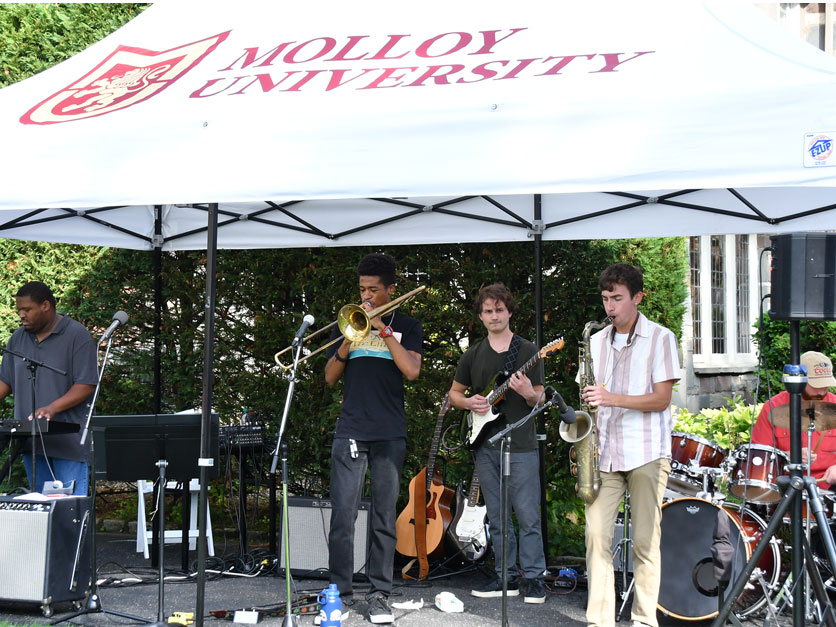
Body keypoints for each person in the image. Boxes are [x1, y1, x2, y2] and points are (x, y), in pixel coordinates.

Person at [581, 263, 681, 627]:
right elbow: (589, 398)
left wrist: (611, 397)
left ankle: (643, 620)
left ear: (638, 297)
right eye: (606, 299)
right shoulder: (594, 341)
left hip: (646, 452)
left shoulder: (661, 338)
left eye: (618, 299)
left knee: (643, 541)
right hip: (604, 453)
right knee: (595, 535)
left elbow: (660, 400)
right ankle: (600, 620)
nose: (610, 307)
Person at [324, 253, 422, 625]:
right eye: (362, 289)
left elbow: (412, 370)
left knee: (384, 516)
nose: (366, 296)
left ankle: (379, 593)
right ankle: (340, 594)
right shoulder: (347, 322)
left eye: (373, 290)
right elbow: (330, 376)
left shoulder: (408, 325)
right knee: (343, 516)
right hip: (351, 429)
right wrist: (349, 338)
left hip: (389, 432)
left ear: (390, 290)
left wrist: (382, 330)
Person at [448, 283, 548, 604]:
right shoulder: (472, 355)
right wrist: (470, 403)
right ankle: (506, 576)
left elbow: (539, 398)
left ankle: (534, 578)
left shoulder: (529, 351)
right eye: (488, 311)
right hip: (486, 444)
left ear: (509, 312)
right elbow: (454, 395)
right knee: (499, 516)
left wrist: (526, 392)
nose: (494, 316)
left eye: (499, 310)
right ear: (480, 316)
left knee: (528, 514)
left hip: (521, 443)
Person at [0, 281, 97, 496]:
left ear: (45, 305)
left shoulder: (76, 335)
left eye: (27, 309)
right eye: (19, 310)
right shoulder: (17, 338)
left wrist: (52, 408)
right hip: (31, 444)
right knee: (40, 514)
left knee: (68, 512)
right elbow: (5, 381)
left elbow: (86, 384)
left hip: (69, 444)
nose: (21, 315)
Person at [751, 350, 836, 489]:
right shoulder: (773, 407)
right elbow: (759, 456)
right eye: (816, 386)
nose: (821, 391)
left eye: (825, 385)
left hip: (829, 489)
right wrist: (786, 456)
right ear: (800, 380)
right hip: (786, 487)